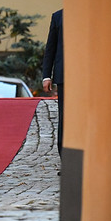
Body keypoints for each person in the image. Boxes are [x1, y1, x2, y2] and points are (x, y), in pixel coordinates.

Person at [42, 9, 64, 157]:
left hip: (88, 75)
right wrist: (46, 76)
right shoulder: (58, 16)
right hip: (64, 75)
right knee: (65, 117)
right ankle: (66, 160)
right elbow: (51, 47)